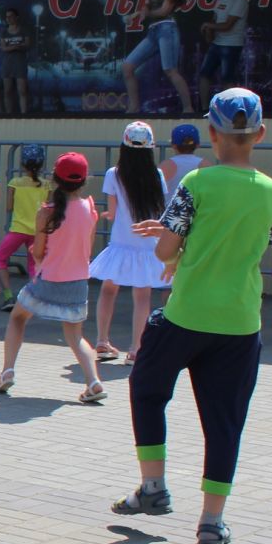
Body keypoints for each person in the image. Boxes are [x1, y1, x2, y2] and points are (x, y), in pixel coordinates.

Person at [113, 88, 272, 544]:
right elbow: (254, 244)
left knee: (147, 389)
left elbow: (167, 249)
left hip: (187, 316)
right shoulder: (271, 191)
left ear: (212, 132)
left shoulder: (196, 184)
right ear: (260, 133)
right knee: (224, 423)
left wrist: (175, 246)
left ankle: (153, 486)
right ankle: (211, 522)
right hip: (241, 323)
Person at [0, 152, 105, 403]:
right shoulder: (90, 208)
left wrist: (36, 252)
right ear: (84, 180)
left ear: (54, 178)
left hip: (49, 279)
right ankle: (93, 381)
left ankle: (7, 370)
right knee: (76, 336)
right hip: (78, 282)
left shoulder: (46, 213)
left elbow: (39, 251)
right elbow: (86, 244)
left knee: (18, 318)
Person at [90, 122, 170, 363]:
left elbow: (112, 212)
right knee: (142, 296)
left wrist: (106, 215)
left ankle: (102, 340)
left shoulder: (114, 173)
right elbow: (160, 210)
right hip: (147, 242)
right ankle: (135, 348)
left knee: (108, 290)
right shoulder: (157, 174)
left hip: (120, 241)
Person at [122, 0, 193, 117]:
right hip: (154, 30)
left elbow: (163, 10)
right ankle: (134, 107)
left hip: (166, 28)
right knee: (127, 67)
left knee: (170, 70)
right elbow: (146, 4)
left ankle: (188, 108)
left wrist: (145, 14)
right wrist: (136, 15)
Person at [0, 144, 48, 310]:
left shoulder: (15, 183)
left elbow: (9, 206)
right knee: (34, 265)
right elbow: (48, 208)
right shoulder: (47, 185)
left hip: (18, 228)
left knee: (0, 258)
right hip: (37, 231)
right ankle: (34, 298)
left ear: (22, 164)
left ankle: (8, 296)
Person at [197, 0, 248, 100]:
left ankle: (229, 110)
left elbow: (228, 25)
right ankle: (204, 109)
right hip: (217, 43)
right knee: (204, 74)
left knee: (227, 78)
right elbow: (215, 19)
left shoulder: (240, 0)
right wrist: (210, 31)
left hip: (231, 45)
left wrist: (209, 26)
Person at [0, 9, 32, 114]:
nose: (8, 19)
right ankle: (8, 114)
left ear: (16, 17)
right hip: (7, 64)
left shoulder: (23, 30)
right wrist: (16, 46)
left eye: (11, 16)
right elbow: (3, 47)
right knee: (7, 91)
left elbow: (27, 45)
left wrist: (13, 47)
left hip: (20, 63)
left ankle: (24, 113)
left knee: (22, 90)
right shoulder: (4, 32)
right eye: (7, 17)